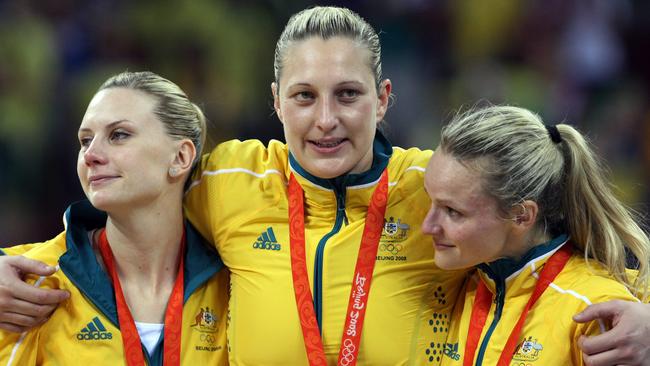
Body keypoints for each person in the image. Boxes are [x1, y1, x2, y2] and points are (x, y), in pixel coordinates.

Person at [1, 6, 650, 366]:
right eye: (304, 97)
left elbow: (563, 248)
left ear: (383, 98)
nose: (327, 120)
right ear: (276, 101)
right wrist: (9, 267)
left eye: (348, 95)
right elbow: (124, 209)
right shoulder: (227, 178)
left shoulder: (439, 186)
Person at [0, 71, 229, 365]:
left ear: (181, 157)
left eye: (118, 135)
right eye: (85, 140)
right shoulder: (30, 282)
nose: (90, 154)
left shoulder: (236, 280)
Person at [421, 105, 649, 365]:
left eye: (453, 211)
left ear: (521, 216)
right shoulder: (462, 282)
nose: (427, 227)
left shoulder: (596, 309)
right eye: (430, 201)